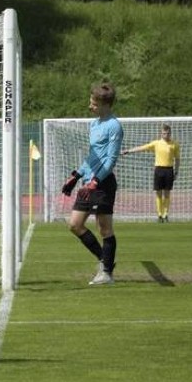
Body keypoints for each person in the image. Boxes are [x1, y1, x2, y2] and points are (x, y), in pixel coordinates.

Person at [61, 83, 123, 285]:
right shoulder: (94, 124)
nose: (90, 106)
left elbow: (111, 159)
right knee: (74, 224)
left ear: (105, 104)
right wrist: (77, 175)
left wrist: (96, 180)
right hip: (89, 181)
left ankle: (106, 273)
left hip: (103, 183)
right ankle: (104, 260)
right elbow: (92, 156)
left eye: (93, 103)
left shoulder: (114, 126)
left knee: (104, 229)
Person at [122, 124, 181, 222]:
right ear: (161, 134)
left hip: (169, 170)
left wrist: (177, 171)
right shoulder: (156, 143)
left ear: (170, 133)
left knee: (167, 193)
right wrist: (128, 151)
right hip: (159, 169)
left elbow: (178, 159)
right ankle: (159, 215)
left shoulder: (174, 144)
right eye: (164, 133)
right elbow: (143, 148)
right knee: (158, 193)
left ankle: (166, 214)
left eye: (168, 133)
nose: (166, 135)